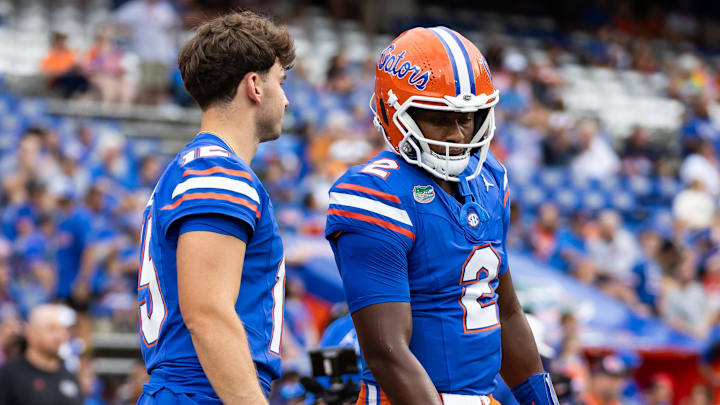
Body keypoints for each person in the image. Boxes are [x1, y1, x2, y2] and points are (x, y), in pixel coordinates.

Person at [325, 27, 558, 405]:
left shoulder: (490, 178)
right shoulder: (374, 194)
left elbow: (506, 309)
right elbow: (387, 351)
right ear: (392, 111)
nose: (457, 134)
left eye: (468, 118)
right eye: (439, 118)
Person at [135, 11, 294, 404]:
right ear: (254, 85)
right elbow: (207, 314)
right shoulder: (217, 170)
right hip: (202, 391)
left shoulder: (201, 164)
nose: (287, 98)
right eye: (281, 82)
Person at [0, 304, 83, 405]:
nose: (60, 336)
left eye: (62, 329)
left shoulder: (70, 377)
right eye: (51, 329)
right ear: (30, 332)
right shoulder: (9, 376)